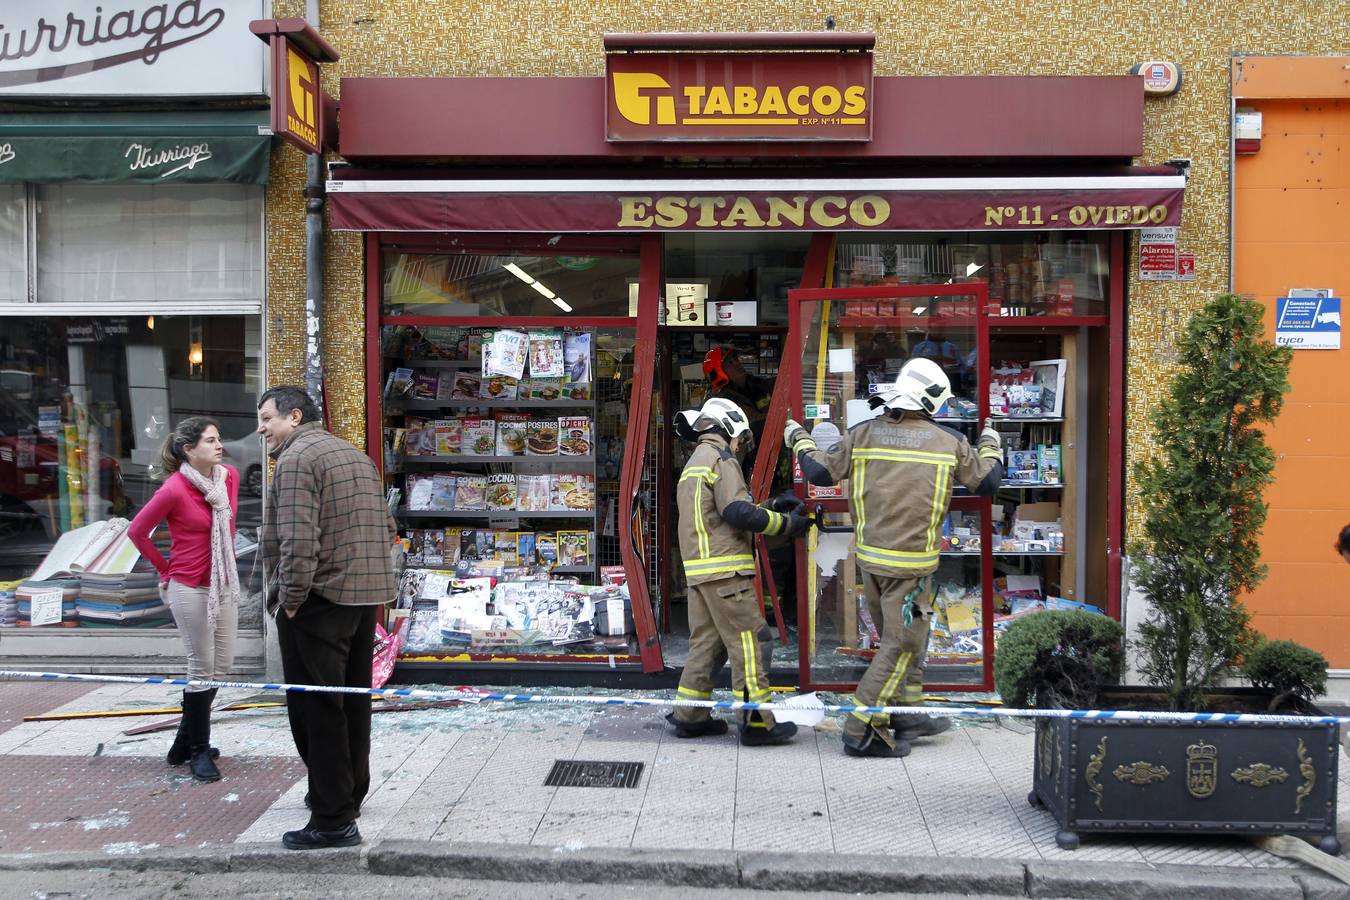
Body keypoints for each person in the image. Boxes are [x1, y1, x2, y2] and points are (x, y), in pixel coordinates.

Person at [785, 358, 1003, 758]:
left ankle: (908, 714)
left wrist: (799, 438)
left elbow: (817, 472)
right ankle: (861, 729)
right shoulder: (948, 441)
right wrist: (990, 441)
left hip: (871, 563)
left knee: (907, 642)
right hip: (912, 570)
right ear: (932, 401)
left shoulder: (864, 434)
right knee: (901, 647)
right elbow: (987, 481)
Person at [257, 386, 397, 851]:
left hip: (319, 600)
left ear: (294, 417)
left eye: (267, 419)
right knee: (352, 703)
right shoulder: (352, 454)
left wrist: (292, 600)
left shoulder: (297, 460)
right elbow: (387, 526)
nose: (261, 429)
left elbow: (297, 541)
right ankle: (345, 794)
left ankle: (333, 820)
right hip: (361, 598)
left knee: (318, 711)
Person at [669, 397, 811, 746]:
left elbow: (723, 511)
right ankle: (756, 723)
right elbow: (736, 512)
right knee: (752, 641)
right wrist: (786, 524)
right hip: (726, 573)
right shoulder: (722, 458)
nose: (741, 444)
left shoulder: (695, 462)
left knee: (707, 645)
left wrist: (772, 504)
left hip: (701, 574)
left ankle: (690, 715)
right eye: (741, 437)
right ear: (730, 427)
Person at [128, 416, 240, 783]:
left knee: (222, 665)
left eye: (218, 438)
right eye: (210, 441)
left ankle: (183, 739)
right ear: (189, 450)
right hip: (189, 585)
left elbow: (230, 528)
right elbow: (137, 531)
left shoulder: (230, 479)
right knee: (201, 666)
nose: (218, 445)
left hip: (222, 582)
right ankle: (197, 751)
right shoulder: (174, 489)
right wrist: (165, 570)